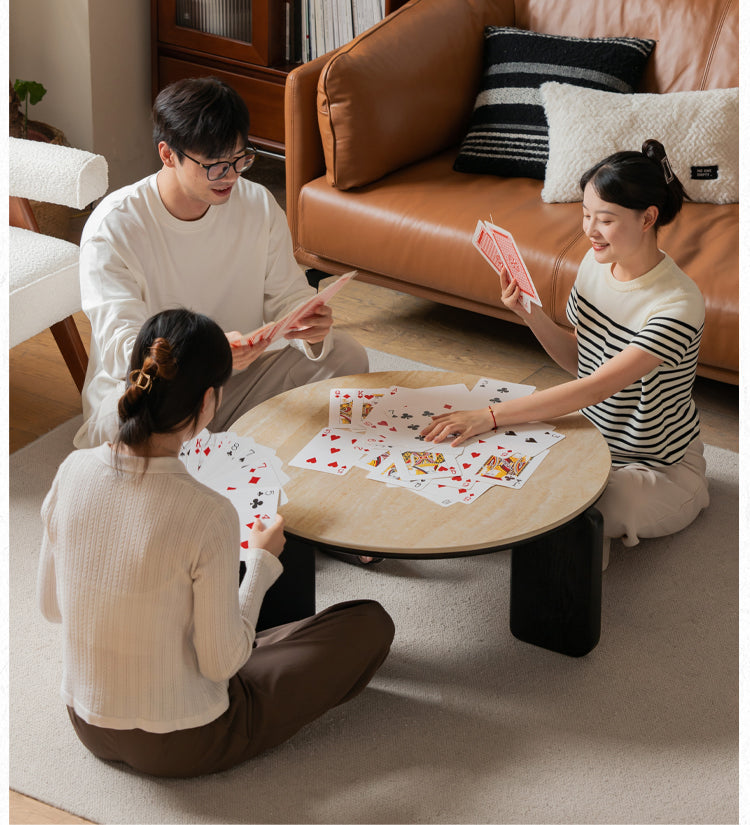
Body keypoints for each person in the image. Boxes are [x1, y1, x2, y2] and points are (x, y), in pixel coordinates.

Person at [38, 308, 394, 777]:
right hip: (186, 738)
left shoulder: (72, 470)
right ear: (208, 401)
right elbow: (222, 661)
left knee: (253, 635)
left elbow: (51, 607)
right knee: (367, 622)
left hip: (85, 719)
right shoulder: (207, 512)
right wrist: (262, 562)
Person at [422, 140, 709, 569]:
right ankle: (576, 529)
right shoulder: (594, 266)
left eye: (605, 219)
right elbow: (582, 361)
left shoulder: (677, 305)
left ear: (648, 218)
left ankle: (586, 530)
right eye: (586, 214)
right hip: (594, 442)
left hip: (660, 466)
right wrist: (530, 312)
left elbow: (594, 387)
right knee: (502, 467)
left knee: (599, 504)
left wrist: (491, 415)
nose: (590, 230)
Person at [74, 75, 368, 451]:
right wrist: (204, 354)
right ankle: (228, 444)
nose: (230, 176)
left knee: (345, 355)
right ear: (168, 154)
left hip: (235, 377)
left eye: (239, 159)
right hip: (158, 391)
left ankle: (226, 445)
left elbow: (287, 297)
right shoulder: (113, 227)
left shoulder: (257, 204)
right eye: (214, 165)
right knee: (122, 429)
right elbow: (123, 349)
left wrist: (309, 326)